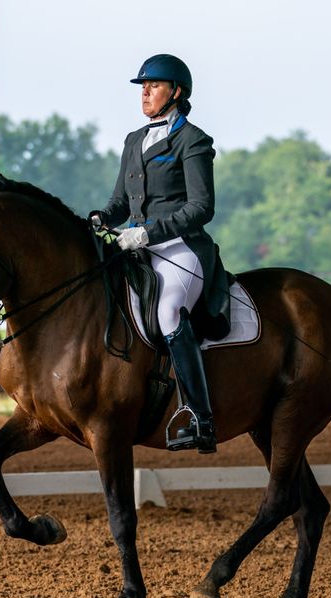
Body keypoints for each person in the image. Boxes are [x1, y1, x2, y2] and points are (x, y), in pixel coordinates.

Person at [90, 54, 231, 454]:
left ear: (177, 92)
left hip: (181, 248)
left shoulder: (193, 140)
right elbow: (121, 202)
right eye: (143, 87)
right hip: (137, 245)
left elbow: (202, 207)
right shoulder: (134, 140)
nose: (145, 93)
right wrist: (102, 216)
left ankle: (201, 419)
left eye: (153, 86)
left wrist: (147, 234)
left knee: (169, 312)